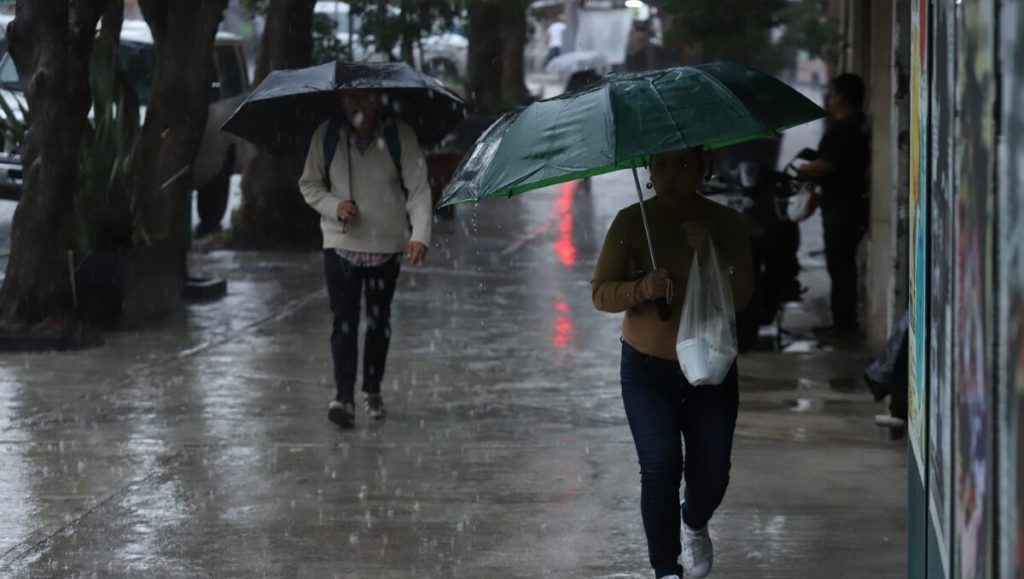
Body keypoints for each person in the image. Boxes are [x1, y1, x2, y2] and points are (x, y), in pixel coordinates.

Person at [592, 148, 754, 579]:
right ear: (647, 169)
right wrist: (640, 288)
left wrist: (710, 255)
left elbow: (743, 297)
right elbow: (600, 292)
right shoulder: (631, 223)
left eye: (683, 164)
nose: (671, 175)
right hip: (647, 370)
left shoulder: (725, 223)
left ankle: (695, 520)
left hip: (711, 369)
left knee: (713, 471)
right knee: (661, 465)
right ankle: (665, 567)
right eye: (661, 164)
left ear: (704, 167)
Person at [298, 90, 432, 429]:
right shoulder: (327, 136)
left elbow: (418, 189)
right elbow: (310, 184)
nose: (359, 106)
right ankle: (343, 397)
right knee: (343, 321)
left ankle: (372, 389)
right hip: (340, 245)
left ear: (378, 100)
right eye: (351, 99)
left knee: (378, 320)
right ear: (341, 103)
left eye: (366, 99)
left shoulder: (400, 136)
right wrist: (334, 207)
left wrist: (420, 235)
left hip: (386, 247)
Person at [798, 73, 870, 338]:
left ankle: (844, 324)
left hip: (842, 208)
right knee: (842, 266)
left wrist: (806, 168)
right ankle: (843, 320)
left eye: (833, 92)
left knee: (840, 266)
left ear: (842, 97)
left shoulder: (844, 128)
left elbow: (829, 164)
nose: (829, 97)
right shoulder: (855, 125)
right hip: (846, 205)